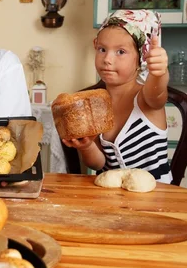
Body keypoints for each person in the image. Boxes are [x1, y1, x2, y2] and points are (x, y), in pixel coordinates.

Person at [62, 9, 172, 183]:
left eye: (120, 52)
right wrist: (87, 146)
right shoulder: (95, 104)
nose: (107, 59)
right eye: (102, 49)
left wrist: (159, 73)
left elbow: (157, 94)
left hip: (156, 201)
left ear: (141, 57)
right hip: (111, 201)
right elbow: (98, 164)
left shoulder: (145, 100)